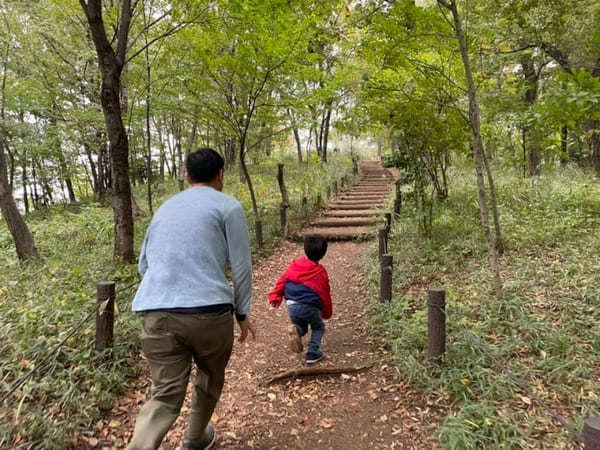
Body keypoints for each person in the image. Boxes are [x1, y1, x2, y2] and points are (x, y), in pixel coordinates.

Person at [128, 148, 255, 450]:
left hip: (156, 312)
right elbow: (241, 267)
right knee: (210, 378)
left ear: (186, 176)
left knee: (164, 395)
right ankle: (194, 440)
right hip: (209, 313)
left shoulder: (164, 209)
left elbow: (143, 266)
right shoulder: (228, 207)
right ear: (220, 176)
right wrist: (242, 312)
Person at [268, 235, 332, 364]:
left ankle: (296, 331)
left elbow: (282, 280)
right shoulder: (320, 271)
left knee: (301, 325)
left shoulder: (295, 265)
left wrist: (275, 296)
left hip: (292, 304)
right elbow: (325, 293)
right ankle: (313, 353)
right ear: (323, 253)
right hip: (311, 306)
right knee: (318, 327)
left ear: (305, 249)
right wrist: (327, 312)